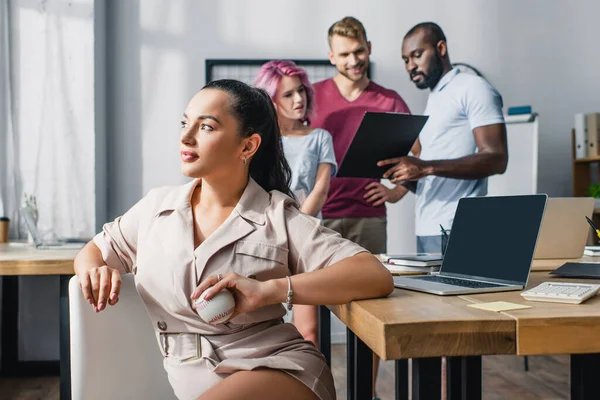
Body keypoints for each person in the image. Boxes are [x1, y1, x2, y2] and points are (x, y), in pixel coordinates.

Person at [73, 79, 393, 400]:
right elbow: (93, 251)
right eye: (186, 123)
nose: (186, 136)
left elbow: (374, 274)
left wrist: (268, 291)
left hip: (277, 368)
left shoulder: (278, 215)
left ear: (247, 146)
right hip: (186, 375)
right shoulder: (156, 208)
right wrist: (93, 269)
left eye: (206, 127)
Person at [311, 16, 410, 399]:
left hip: (369, 218)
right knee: (316, 315)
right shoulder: (313, 97)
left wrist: (397, 191)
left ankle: (364, 394)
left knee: (370, 314)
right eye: (346, 54)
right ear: (331, 56)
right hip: (316, 219)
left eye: (360, 51)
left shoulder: (388, 99)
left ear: (368, 48)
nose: (355, 60)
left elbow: (416, 154)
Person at [378, 22, 508, 253]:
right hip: (428, 228)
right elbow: (437, 174)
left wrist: (424, 167)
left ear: (441, 48)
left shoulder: (473, 88)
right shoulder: (436, 99)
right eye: (406, 60)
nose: (411, 66)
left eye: (417, 55)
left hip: (457, 227)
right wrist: (405, 175)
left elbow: (497, 159)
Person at [254, 60, 337, 348]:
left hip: (305, 240)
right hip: (265, 238)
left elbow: (321, 189)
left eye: (301, 91)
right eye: (288, 94)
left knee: (308, 333)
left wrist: (293, 227)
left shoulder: (320, 138)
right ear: (272, 100)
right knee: (259, 328)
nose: (299, 99)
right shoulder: (260, 142)